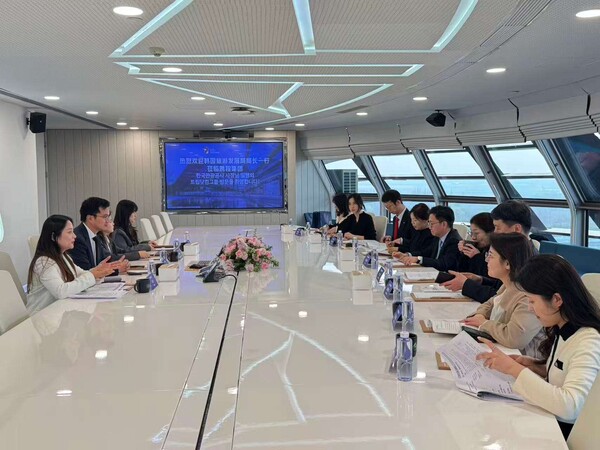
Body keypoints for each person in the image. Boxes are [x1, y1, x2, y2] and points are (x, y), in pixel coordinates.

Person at [476, 255, 600, 439]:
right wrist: (536, 365)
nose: (530, 308)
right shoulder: (562, 327)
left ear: (557, 300)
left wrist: (514, 369)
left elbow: (571, 406)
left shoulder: (588, 340)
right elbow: (565, 371)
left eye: (532, 301)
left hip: (563, 434)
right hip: (549, 421)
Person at [461, 233, 542, 356]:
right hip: (503, 352)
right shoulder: (508, 285)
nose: (486, 260)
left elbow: (515, 338)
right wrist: (480, 315)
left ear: (507, 263)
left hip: (523, 359)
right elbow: (490, 303)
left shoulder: (527, 296)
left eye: (490, 256)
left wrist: (484, 323)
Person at [442, 200, 535, 303]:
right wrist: (480, 279)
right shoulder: (515, 252)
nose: (494, 232)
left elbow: (502, 298)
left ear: (516, 229)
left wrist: (466, 285)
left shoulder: (530, 262)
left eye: (497, 228)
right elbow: (502, 287)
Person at [26, 215, 118, 314]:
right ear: (53, 236)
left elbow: (82, 274)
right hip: (40, 317)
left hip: (59, 313)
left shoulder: (64, 257)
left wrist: (98, 271)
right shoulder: (44, 262)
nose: (74, 236)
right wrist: (93, 274)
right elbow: (61, 291)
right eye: (69, 232)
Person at [69, 197, 129, 272]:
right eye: (105, 217)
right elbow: (85, 271)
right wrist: (117, 270)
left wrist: (117, 266)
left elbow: (103, 262)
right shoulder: (78, 239)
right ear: (90, 218)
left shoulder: (96, 236)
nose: (108, 221)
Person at [398, 205, 461, 271]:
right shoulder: (438, 236)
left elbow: (443, 263)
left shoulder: (454, 241)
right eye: (429, 223)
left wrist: (419, 259)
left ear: (444, 224)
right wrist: (408, 255)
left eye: (432, 223)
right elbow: (426, 252)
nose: (429, 227)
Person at [456, 212, 494, 278]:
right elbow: (462, 272)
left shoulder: (497, 252)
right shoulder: (478, 247)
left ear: (490, 232)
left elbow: (490, 278)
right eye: (471, 233)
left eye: (476, 233)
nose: (473, 237)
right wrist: (463, 253)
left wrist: (477, 257)